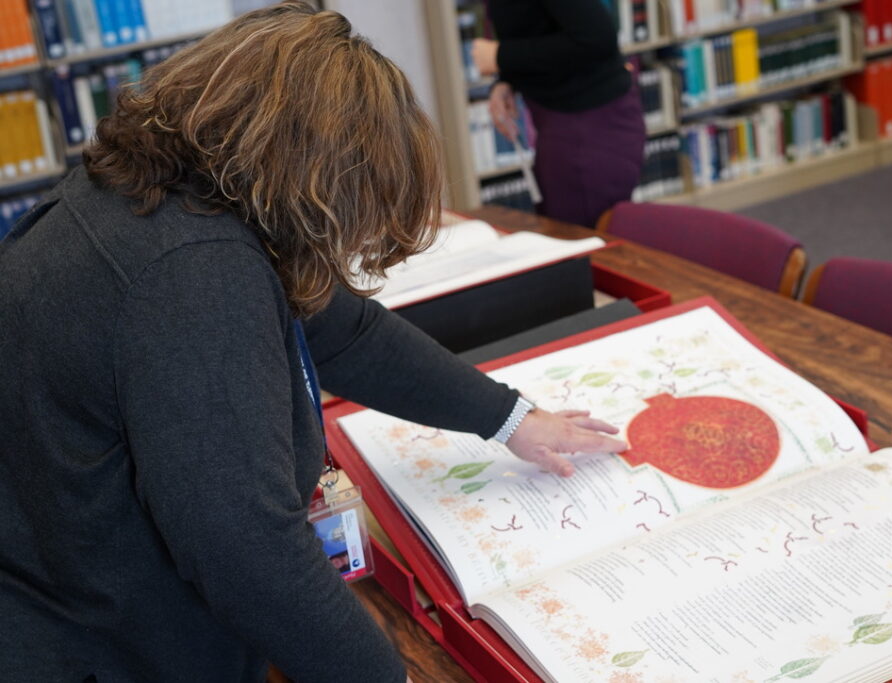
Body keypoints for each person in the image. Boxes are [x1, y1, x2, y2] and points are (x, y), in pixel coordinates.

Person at [0, 3, 626, 681]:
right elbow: (247, 550)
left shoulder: (167, 188)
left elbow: (346, 331)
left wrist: (510, 418)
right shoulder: (193, 273)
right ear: (311, 176)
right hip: (101, 646)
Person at [471, 0, 646, 228]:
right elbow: (535, 27)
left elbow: (595, 38)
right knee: (559, 231)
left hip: (591, 125)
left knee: (580, 243)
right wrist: (507, 81)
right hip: (556, 121)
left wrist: (501, 56)